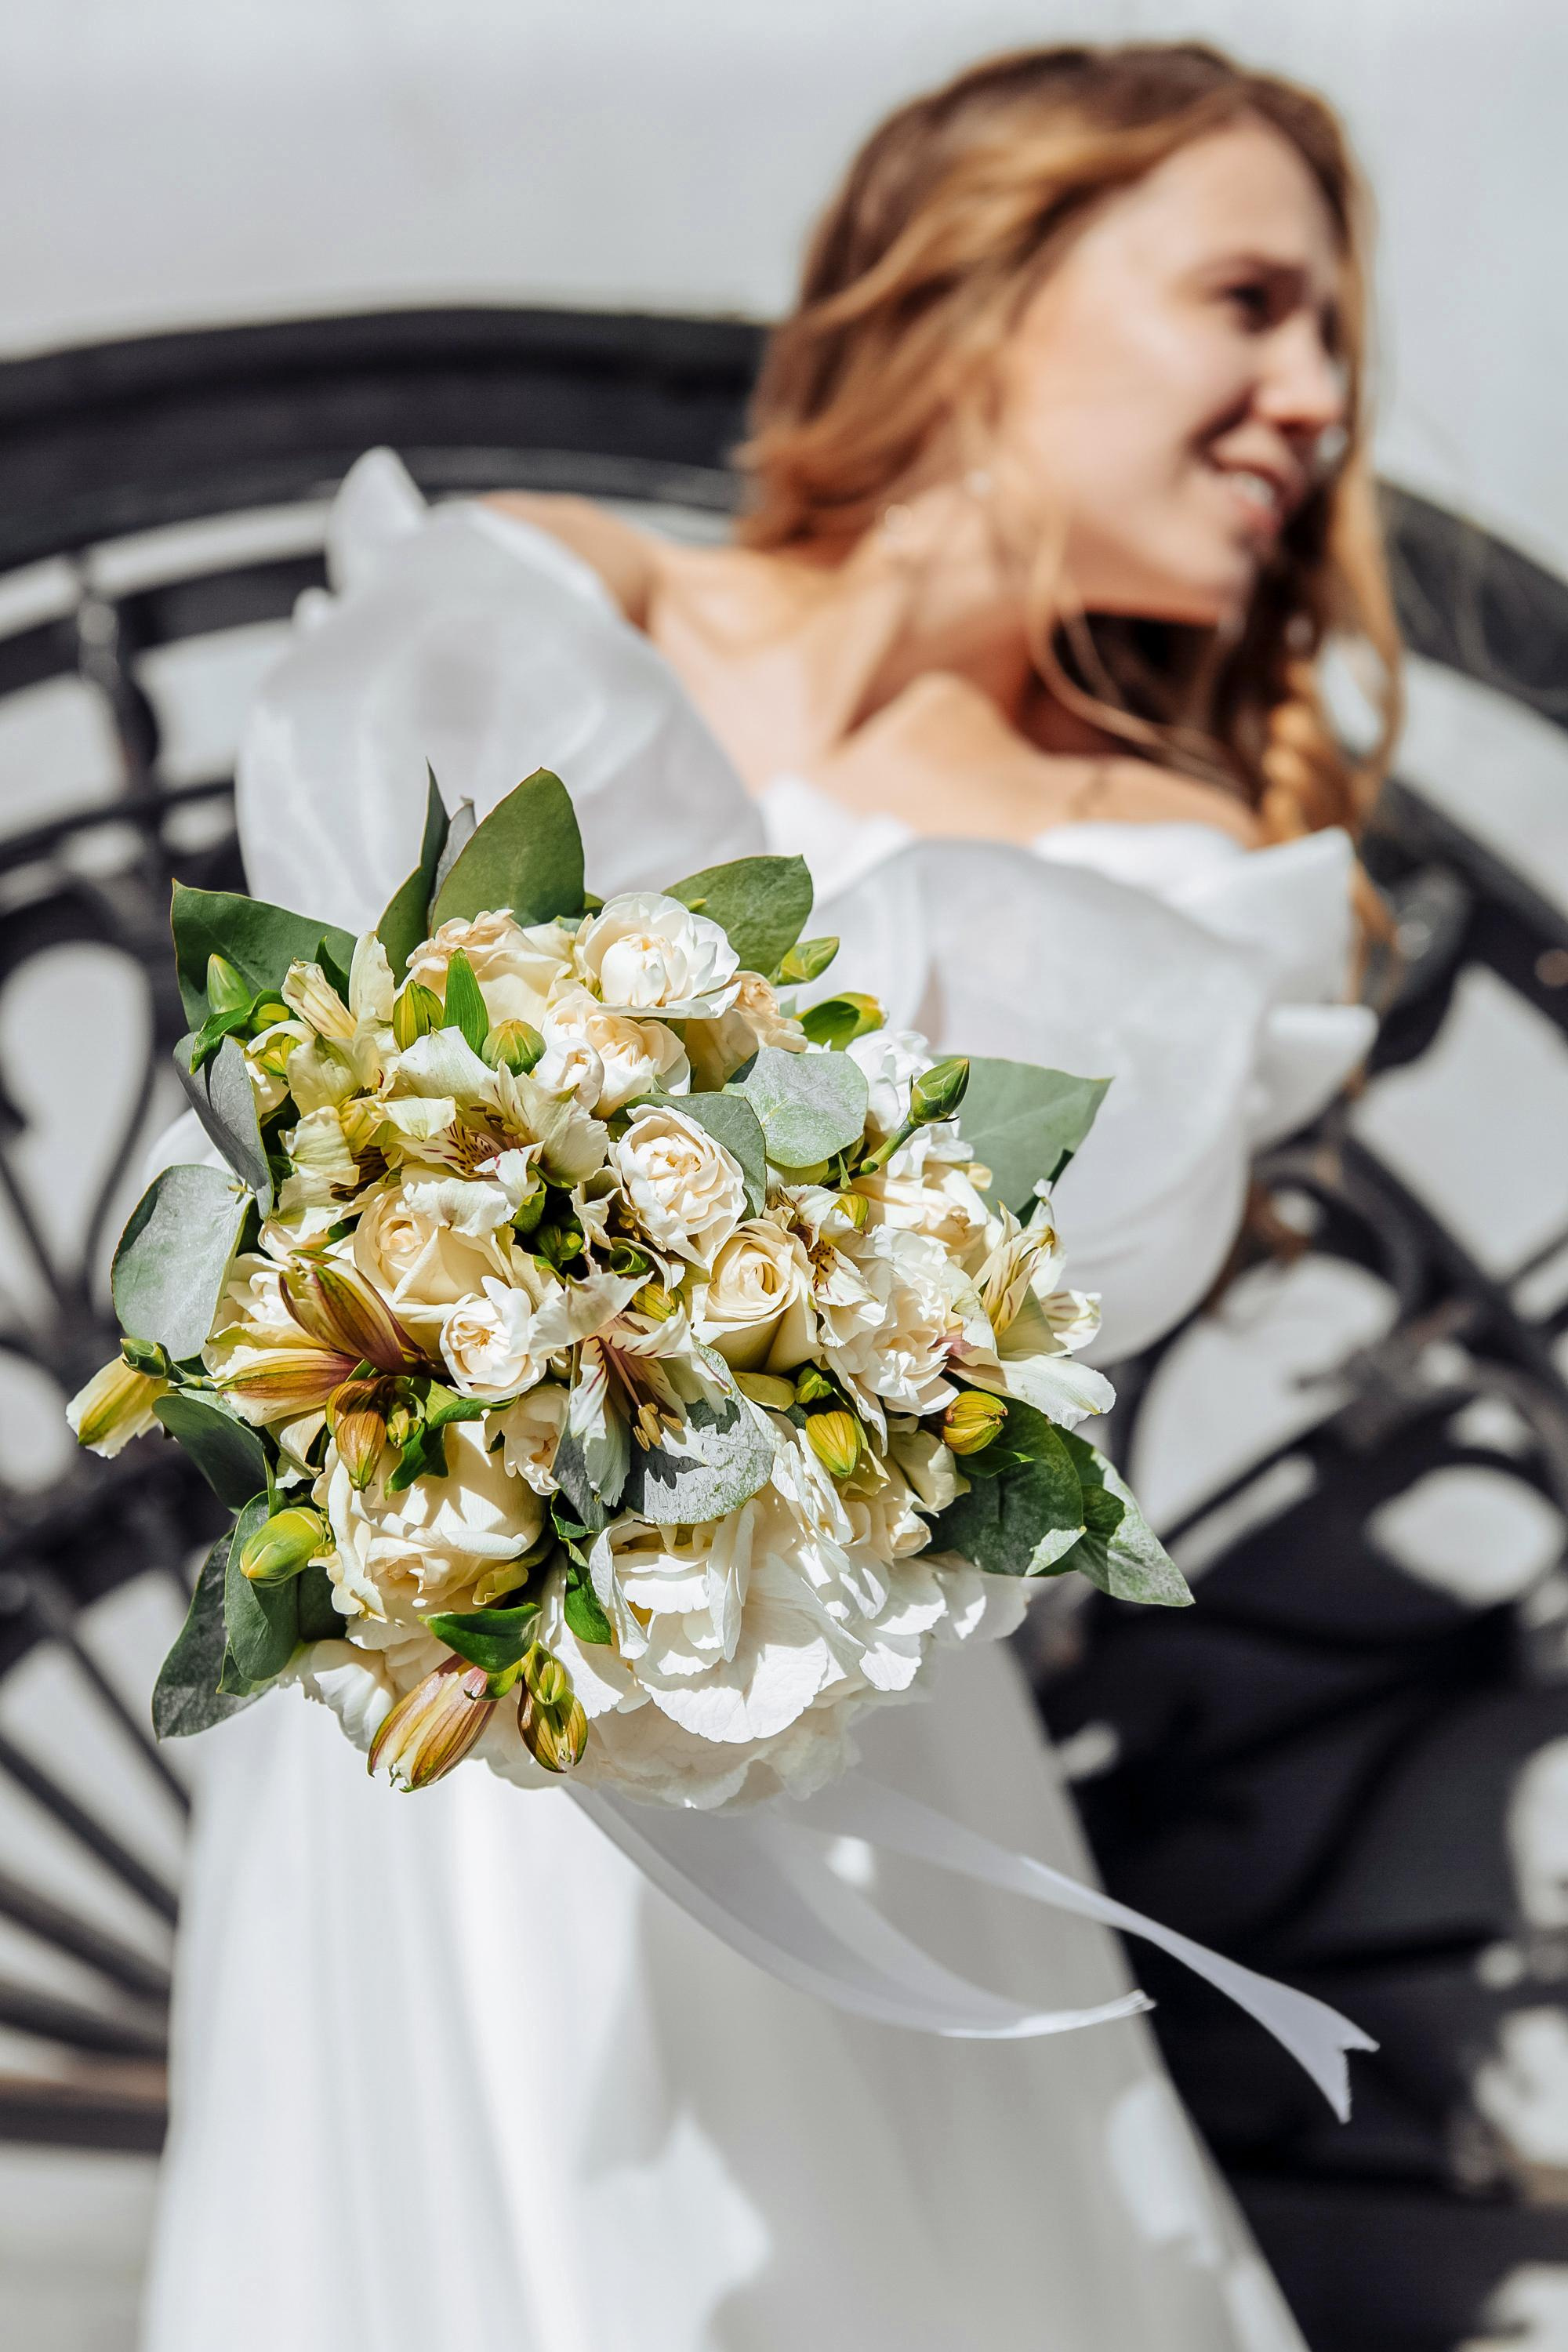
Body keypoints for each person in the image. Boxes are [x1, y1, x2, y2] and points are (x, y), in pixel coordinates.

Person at [143, 43, 1400, 2352]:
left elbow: (1014, 1347)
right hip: (415, 1725)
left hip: (799, 1745)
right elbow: (311, 1073)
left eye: (1333, 339)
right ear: (996, 277)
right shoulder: (516, 596)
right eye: (1252, 300)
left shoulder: (1183, 881)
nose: (1315, 397)